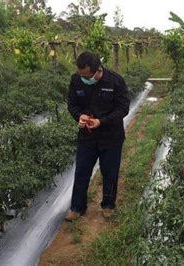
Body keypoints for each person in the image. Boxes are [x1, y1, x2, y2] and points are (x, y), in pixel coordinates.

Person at [66, 51, 130, 221]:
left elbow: (123, 109)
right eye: (81, 75)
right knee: (81, 171)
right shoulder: (76, 80)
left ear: (97, 70)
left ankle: (108, 205)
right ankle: (77, 207)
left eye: (86, 75)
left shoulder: (115, 81)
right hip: (87, 137)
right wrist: (79, 116)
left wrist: (101, 121)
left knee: (110, 172)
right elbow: (71, 104)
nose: (83, 78)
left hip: (111, 137)